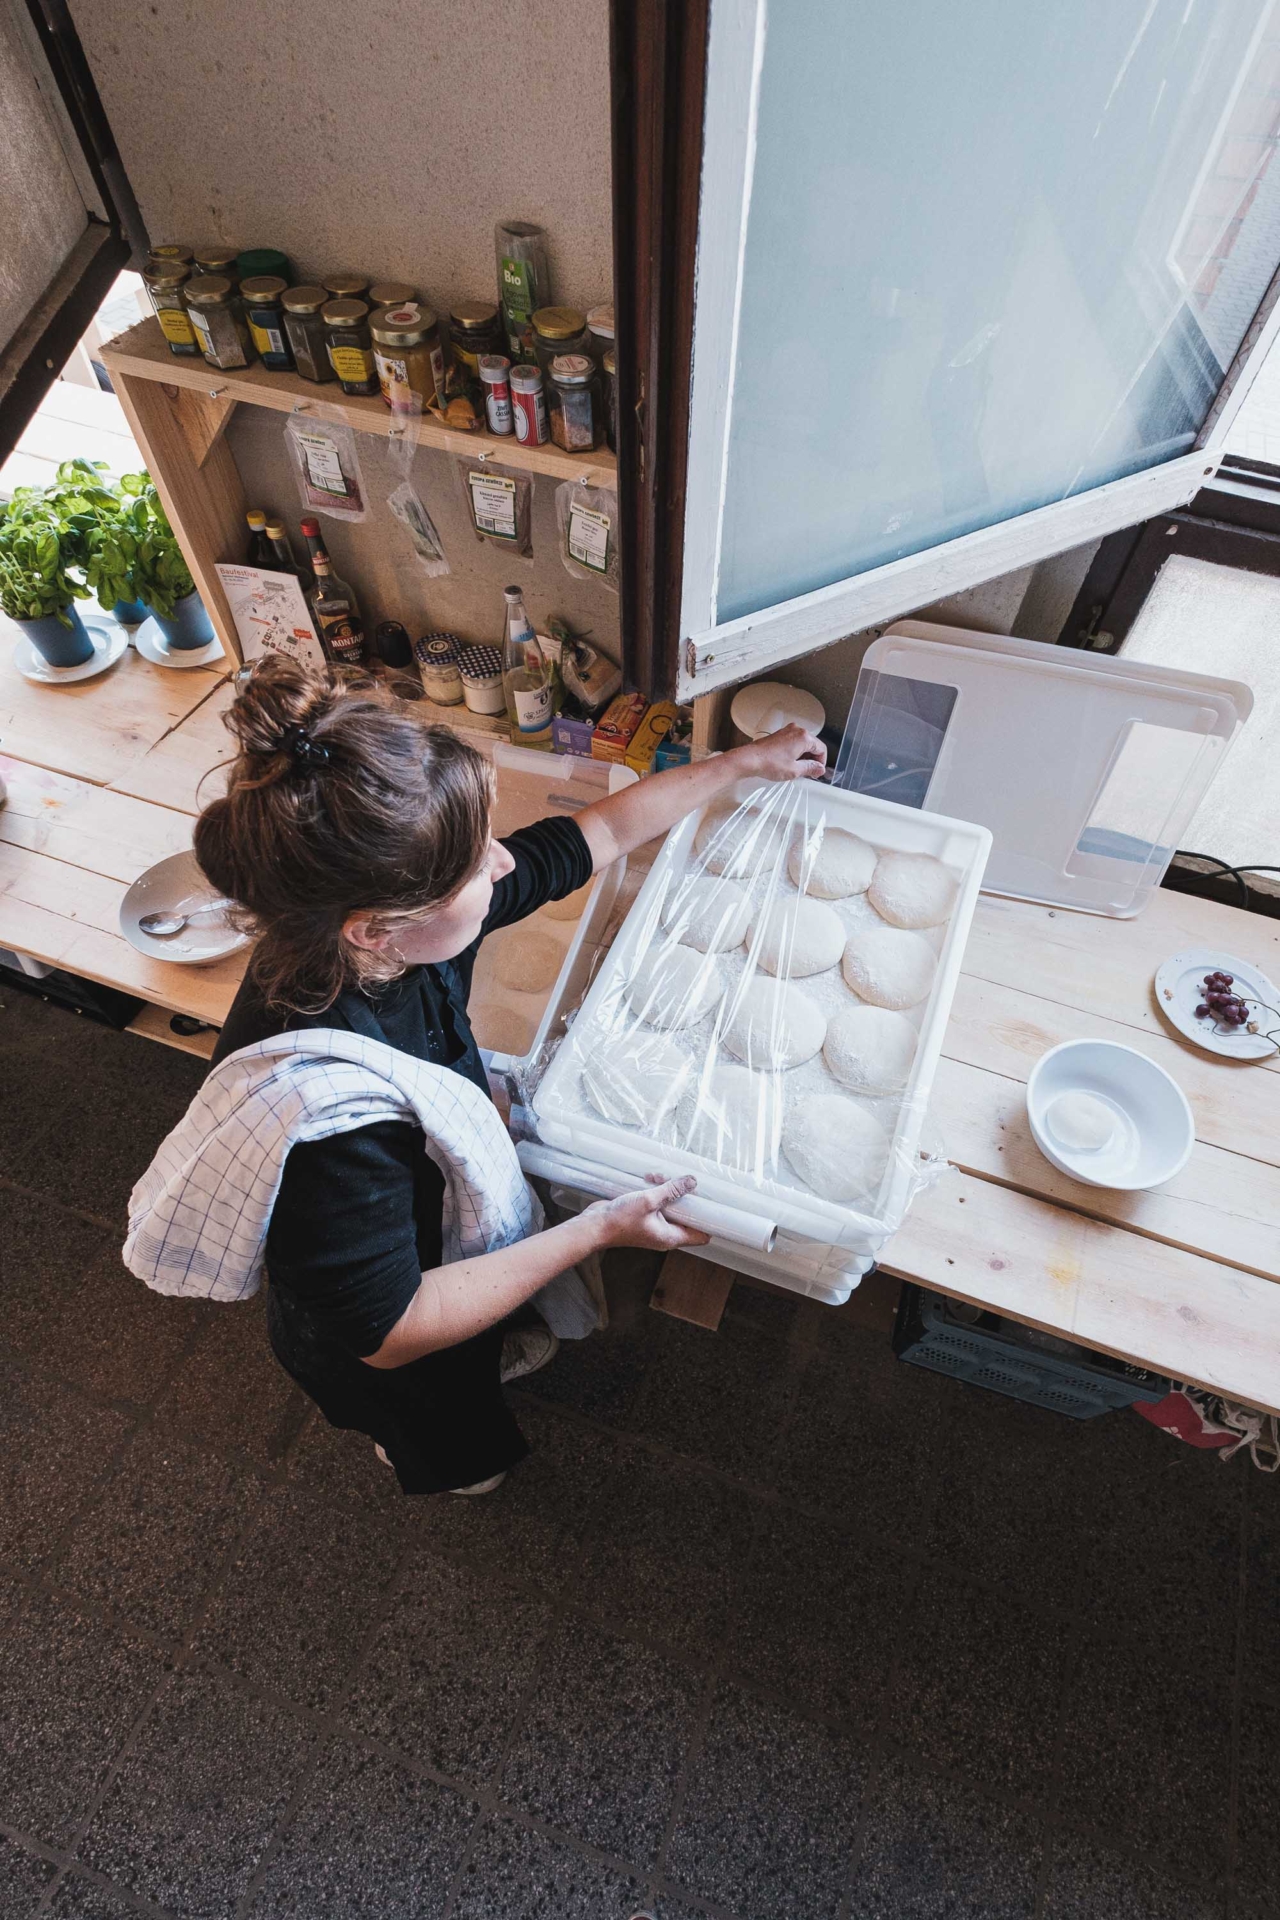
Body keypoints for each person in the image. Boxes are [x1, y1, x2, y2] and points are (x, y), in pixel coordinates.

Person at [188, 657, 826, 1497]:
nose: (499, 864)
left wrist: (740, 764)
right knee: (450, 1430)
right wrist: (598, 1229)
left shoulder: (383, 932)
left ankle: (493, 1344)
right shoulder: (319, 1115)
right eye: (473, 862)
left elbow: (588, 838)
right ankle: (440, 1465)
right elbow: (393, 1326)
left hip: (431, 1228)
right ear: (379, 928)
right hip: (388, 1339)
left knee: (479, 1340)